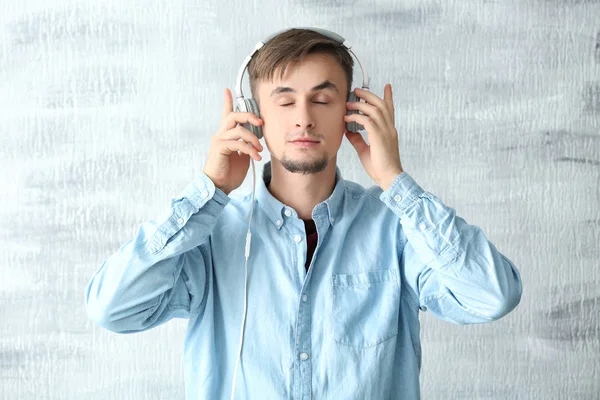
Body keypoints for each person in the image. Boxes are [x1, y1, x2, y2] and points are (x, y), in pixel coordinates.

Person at [85, 28, 523, 399]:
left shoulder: (397, 229)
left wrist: (395, 181)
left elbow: (492, 296)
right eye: (284, 100)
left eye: (322, 99)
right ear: (254, 115)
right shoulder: (209, 234)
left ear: (351, 114)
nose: (304, 119)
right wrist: (211, 189)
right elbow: (113, 308)